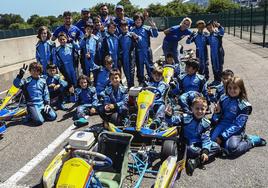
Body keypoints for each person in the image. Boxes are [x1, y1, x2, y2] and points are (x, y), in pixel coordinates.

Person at [211, 76, 266, 158]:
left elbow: (238, 125)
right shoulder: (223, 98)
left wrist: (222, 137)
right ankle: (224, 141)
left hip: (236, 130)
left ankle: (251, 141)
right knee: (212, 142)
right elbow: (217, 116)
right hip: (222, 125)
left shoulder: (244, 105)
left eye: (235, 88)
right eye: (229, 88)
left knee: (231, 149)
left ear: (241, 89)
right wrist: (217, 113)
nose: (232, 90)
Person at [165, 97, 221, 176]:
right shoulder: (185, 117)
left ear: (206, 109)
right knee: (191, 150)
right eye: (197, 108)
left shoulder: (206, 123)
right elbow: (171, 120)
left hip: (199, 143)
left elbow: (206, 139)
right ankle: (199, 158)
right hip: (187, 144)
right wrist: (168, 115)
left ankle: (195, 161)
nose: (200, 111)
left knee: (216, 147)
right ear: (192, 108)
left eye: (202, 109)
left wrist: (205, 151)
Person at [131, 12, 158, 85]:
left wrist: (154, 27)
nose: (138, 21)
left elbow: (155, 35)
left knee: (150, 66)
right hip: (138, 51)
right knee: (140, 68)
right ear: (134, 21)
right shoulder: (132, 30)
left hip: (147, 50)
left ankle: (153, 80)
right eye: (136, 20)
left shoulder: (147, 28)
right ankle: (141, 82)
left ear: (142, 20)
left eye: (139, 20)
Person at [119, 20, 138, 88]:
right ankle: (129, 85)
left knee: (131, 72)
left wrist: (136, 38)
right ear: (120, 28)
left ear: (128, 27)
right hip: (124, 58)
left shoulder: (131, 35)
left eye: (126, 26)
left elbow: (137, 42)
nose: (124, 28)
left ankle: (131, 86)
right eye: (122, 27)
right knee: (126, 72)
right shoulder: (120, 37)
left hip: (131, 57)